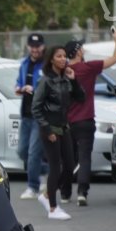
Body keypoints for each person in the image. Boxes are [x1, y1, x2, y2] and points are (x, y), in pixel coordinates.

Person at [61, 29, 116, 206]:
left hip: (66, 122)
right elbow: (115, 58)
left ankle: (65, 193)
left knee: (67, 158)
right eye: (81, 48)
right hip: (86, 119)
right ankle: (82, 192)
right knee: (84, 156)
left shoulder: (63, 71)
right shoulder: (88, 68)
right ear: (78, 51)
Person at [32, 46, 85, 220]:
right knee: (56, 167)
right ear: (52, 60)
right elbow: (36, 107)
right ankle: (53, 208)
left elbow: (81, 98)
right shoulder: (46, 81)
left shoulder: (66, 79)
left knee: (70, 167)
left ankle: (47, 195)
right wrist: (47, 129)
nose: (63, 59)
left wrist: (74, 80)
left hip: (64, 127)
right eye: (59, 56)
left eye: (64, 56)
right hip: (50, 129)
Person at [15, 33, 48, 200]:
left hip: (40, 114)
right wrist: (20, 88)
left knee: (34, 153)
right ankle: (48, 170)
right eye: (32, 46)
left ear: (42, 46)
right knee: (22, 151)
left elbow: (47, 87)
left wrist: (34, 90)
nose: (35, 49)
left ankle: (33, 187)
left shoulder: (46, 65)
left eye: (38, 46)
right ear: (28, 46)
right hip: (26, 113)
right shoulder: (24, 63)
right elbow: (18, 83)